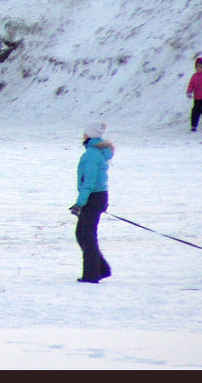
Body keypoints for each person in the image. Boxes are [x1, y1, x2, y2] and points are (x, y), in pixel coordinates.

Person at [70, 120, 114, 283]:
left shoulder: (92, 154)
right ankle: (101, 269)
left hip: (93, 197)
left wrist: (79, 203)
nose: (83, 135)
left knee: (86, 235)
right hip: (98, 196)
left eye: (85, 133)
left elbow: (88, 182)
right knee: (82, 234)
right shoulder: (97, 151)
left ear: (90, 135)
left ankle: (92, 274)